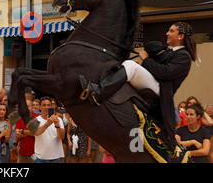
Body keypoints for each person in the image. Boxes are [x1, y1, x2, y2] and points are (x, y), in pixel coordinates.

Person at [80, 21, 197, 150]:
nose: (167, 33)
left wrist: (146, 60)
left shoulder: (184, 56)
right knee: (128, 64)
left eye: (171, 31)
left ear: (180, 36)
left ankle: (98, 92)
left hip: (161, 90)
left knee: (131, 67)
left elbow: (165, 73)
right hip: (155, 82)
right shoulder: (170, 51)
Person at [33, 97, 65, 163]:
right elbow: (36, 133)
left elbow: (61, 137)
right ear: (40, 107)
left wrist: (57, 126)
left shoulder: (59, 119)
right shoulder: (35, 120)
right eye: (44, 105)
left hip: (55, 157)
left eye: (48, 105)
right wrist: (47, 124)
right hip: (40, 157)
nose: (46, 107)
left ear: (51, 106)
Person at [14, 99, 36, 163]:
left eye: (28, 106)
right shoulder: (20, 118)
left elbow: (36, 133)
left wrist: (23, 131)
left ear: (32, 107)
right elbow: (17, 134)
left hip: (35, 153)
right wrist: (30, 132)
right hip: (22, 153)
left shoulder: (38, 117)